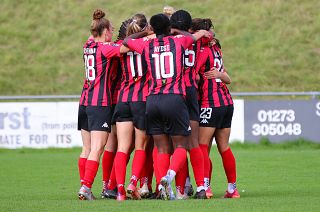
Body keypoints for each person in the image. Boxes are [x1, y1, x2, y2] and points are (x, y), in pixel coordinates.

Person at [121, 13, 210, 200]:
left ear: (152, 28)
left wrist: (145, 33)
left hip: (152, 100)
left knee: (161, 147)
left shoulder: (146, 44)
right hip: (174, 98)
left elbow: (127, 40)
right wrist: (177, 30)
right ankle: (170, 177)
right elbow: (190, 37)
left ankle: (164, 192)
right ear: (169, 28)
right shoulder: (178, 42)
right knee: (182, 144)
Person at [194, 18, 240, 199]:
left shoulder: (203, 51)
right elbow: (228, 78)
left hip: (210, 104)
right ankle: (232, 189)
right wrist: (220, 74)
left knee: (202, 147)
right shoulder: (216, 50)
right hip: (227, 103)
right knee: (224, 147)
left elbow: (194, 76)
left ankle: (206, 187)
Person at [77, 9, 120, 200]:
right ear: (106, 32)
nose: (113, 32)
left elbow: (93, 33)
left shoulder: (88, 44)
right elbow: (125, 48)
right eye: (111, 29)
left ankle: (84, 186)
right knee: (97, 148)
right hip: (99, 103)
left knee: (86, 149)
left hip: (84, 101)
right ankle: (86, 188)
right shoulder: (106, 49)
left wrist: (98, 21)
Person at [112, 13, 151, 201]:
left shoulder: (121, 47)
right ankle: (133, 183)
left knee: (122, 148)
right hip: (141, 100)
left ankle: (120, 191)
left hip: (123, 99)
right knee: (140, 146)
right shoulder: (147, 45)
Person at [170, 9, 207, 199]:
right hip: (192, 91)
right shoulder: (195, 38)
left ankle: (180, 190)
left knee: (178, 144)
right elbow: (210, 34)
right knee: (194, 143)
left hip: (176, 92)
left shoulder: (171, 39)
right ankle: (201, 186)